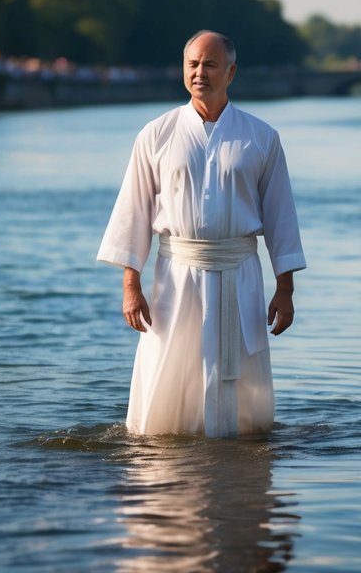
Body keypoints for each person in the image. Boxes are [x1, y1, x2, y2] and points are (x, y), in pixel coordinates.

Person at [97, 30, 306, 437]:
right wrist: (130, 286)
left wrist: (285, 290)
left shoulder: (261, 138)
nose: (199, 73)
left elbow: (281, 217)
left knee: (241, 382)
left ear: (231, 72)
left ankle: (239, 450)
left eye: (210, 65)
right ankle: (161, 452)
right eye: (192, 64)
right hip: (175, 277)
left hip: (239, 274)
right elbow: (133, 213)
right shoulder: (156, 134)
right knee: (168, 367)